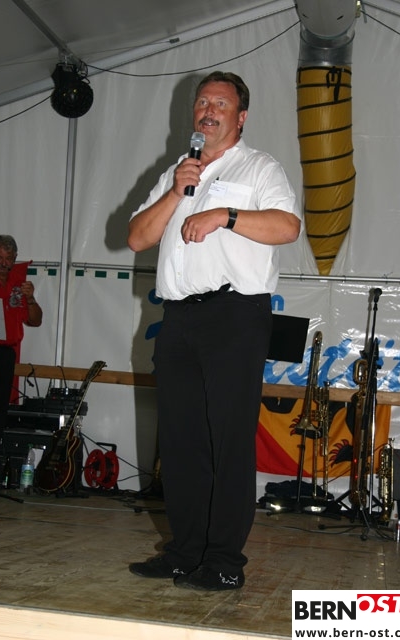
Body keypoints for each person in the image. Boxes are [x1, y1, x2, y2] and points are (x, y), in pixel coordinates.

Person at [127, 71, 302, 591]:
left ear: (240, 117)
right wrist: (177, 192)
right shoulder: (177, 172)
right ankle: (184, 552)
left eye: (220, 104)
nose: (208, 110)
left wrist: (225, 214)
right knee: (180, 441)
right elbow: (137, 237)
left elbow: (287, 227)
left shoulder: (259, 167)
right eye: (202, 102)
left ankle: (224, 560)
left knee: (227, 440)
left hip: (234, 316)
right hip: (178, 319)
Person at [0, 234, 42, 462]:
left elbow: (36, 321)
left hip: (6, 353)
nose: (4, 263)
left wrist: (31, 298)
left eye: (8, 258)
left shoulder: (19, 283)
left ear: (15, 258)